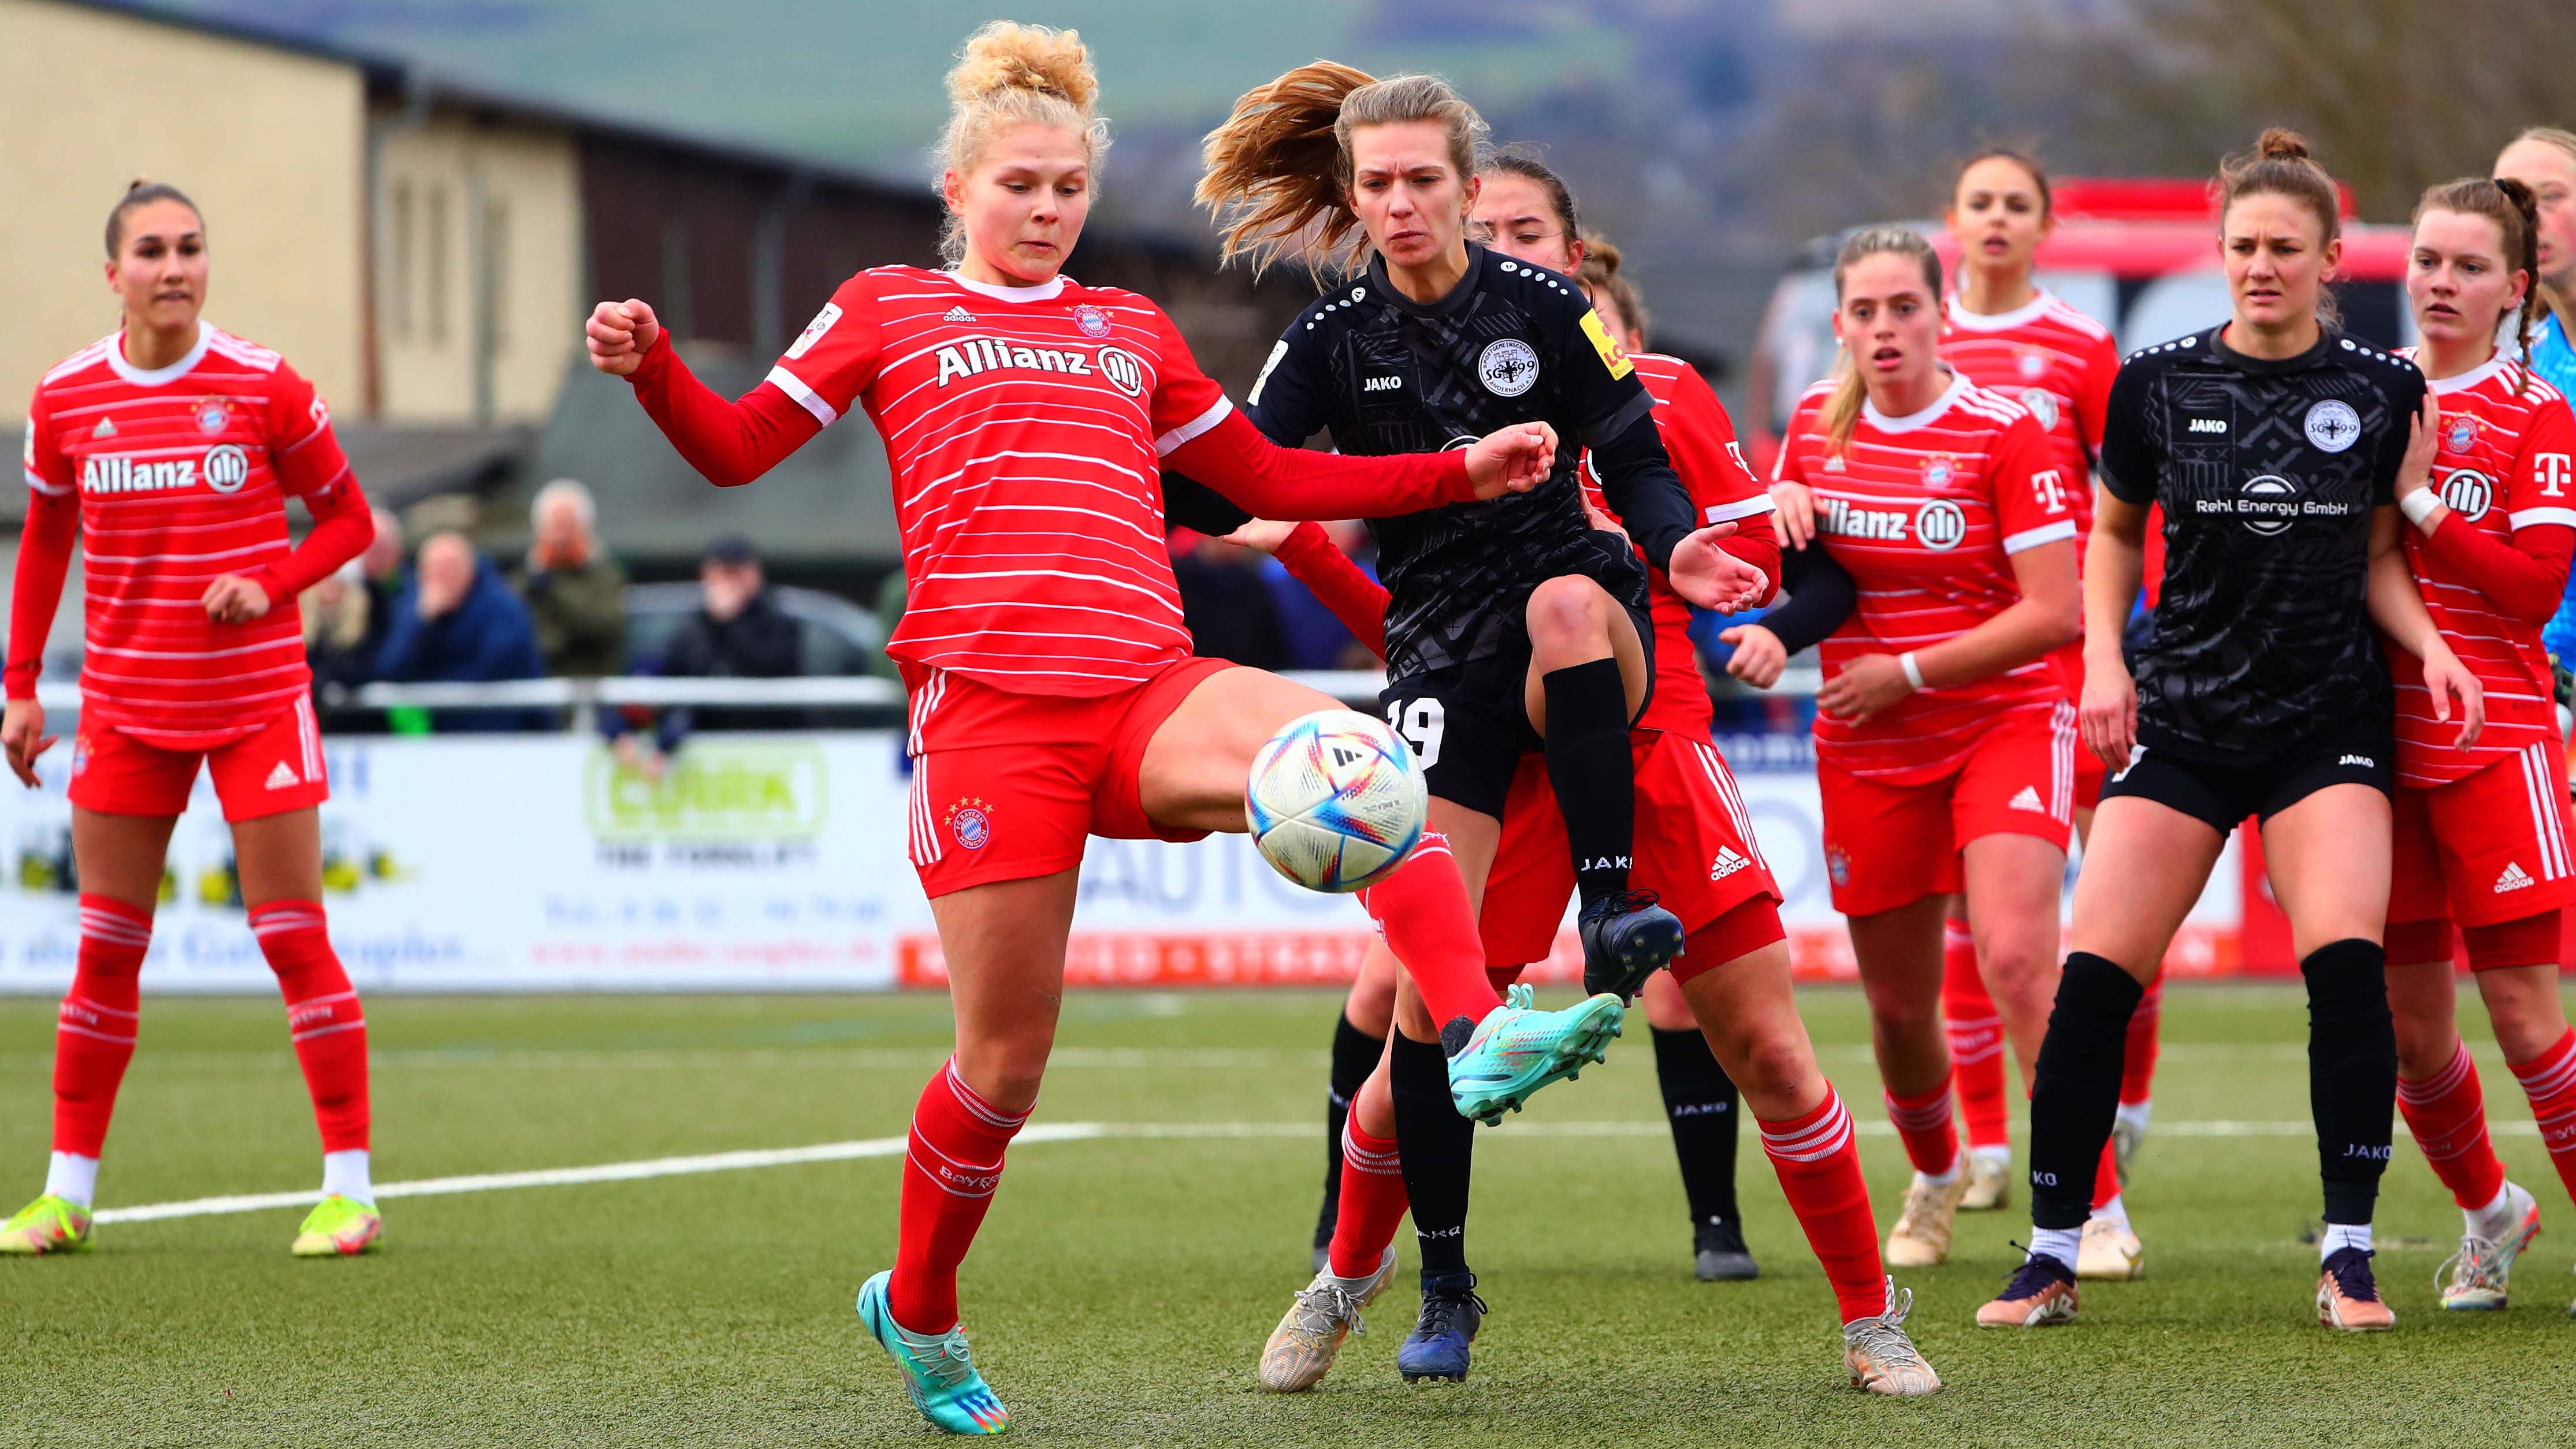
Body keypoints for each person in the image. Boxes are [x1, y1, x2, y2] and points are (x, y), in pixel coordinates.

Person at [581, 24, 1624, 1435]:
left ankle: (1481, 1027)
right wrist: (653, 371)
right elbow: (735, 446)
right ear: (960, 190)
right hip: (992, 721)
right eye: (1021, 186)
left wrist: (1458, 469)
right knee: (1002, 1067)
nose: (1048, 210)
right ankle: (923, 1305)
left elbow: (1260, 471)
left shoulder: (1127, 328)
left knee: (1359, 759)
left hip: (1147, 687)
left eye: (1069, 188)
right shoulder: (885, 308)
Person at [1192, 72, 1881, 1390]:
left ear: (1566, 250)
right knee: (1419, 1042)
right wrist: (1128, 449)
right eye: (1382, 185)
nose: (1421, 211)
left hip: (1636, 723)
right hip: (1455, 677)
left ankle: (1868, 1313)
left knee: (1774, 1046)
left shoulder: (1592, 342)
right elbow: (1242, 476)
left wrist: (1693, 557)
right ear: (1358, 197)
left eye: (1490, 214)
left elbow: (1662, 480)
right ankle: (1383, 1277)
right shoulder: (1338, 336)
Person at [1979, 130, 2475, 1333]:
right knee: (2090, 979)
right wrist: (2104, 659)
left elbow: (2376, 561)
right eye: (2243, 246)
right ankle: (2050, 1252)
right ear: (2222, 252)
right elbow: (2107, 536)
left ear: (2329, 258)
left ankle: (2348, 1256)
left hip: (2326, 724)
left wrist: (2435, 647)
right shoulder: (2155, 383)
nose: (2261, 265)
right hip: (2188, 716)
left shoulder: (2380, 389)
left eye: (2284, 249)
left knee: (2346, 969)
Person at [0, 181, 382, 1258]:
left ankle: (348, 1189)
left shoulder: (264, 384)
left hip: (256, 702)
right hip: (125, 707)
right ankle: (65, 1193)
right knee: (106, 949)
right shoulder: (68, 397)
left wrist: (269, 582)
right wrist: (21, 683)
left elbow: (348, 520)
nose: (175, 267)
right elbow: (42, 546)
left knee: (291, 935)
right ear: (112, 273)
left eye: (191, 248)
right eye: (152, 251)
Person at [1750, 221, 2087, 1286]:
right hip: (1866, 741)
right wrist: (1775, 517)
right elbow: (1795, 578)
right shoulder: (1810, 424)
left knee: (2017, 958)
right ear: (1839, 324)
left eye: (1904, 307)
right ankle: (1938, 1171)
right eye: (1864, 311)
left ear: (1941, 314)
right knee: (1897, 1009)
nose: (1884, 328)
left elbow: (2056, 611)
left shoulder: (2006, 429)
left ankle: (2076, 1213)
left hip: (2002, 716)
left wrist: (1907, 670)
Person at [1930, 147, 2157, 1276]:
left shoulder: (2075, 346)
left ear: (2045, 224)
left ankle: (2108, 1133)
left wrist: (2136, 634)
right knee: (1969, 932)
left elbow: (2131, 495)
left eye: (2019, 202)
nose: (1998, 219)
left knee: (2046, 928)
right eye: (1980, 203)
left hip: (2052, 660)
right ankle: (1978, 1143)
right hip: (1932, 668)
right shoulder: (1907, 334)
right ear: (1952, 220)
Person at [2377, 177, 2576, 1314]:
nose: (2441, 283)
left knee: (2522, 1015)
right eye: (2427, 260)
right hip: (2375, 755)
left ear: (2513, 289)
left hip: (2495, 741)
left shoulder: (2535, 412)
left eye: (2467, 267)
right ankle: (2489, 1214)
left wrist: (2420, 506)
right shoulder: (2368, 392)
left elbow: (2534, 585)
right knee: (2412, 1032)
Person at [619, 536, 806, 766]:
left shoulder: (779, 617)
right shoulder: (695, 622)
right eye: (723, 573)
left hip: (769, 743)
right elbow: (673, 676)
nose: (729, 583)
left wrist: (731, 621)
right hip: (704, 750)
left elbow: (769, 665)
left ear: (755, 574)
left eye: (737, 573)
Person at [2499, 131, 2576, 659]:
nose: (2532, 218)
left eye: (2550, 197)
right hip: (2541, 685)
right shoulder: (2518, 363)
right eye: (2514, 202)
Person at [374, 531, 549, 732]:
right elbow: (391, 668)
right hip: (436, 736)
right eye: (437, 569)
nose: (445, 576)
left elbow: (496, 667)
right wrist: (421, 623)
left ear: (471, 568)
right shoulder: (413, 608)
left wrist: (433, 688)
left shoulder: (503, 605)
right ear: (422, 574)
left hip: (503, 730)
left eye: (452, 567)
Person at [515, 477, 627, 678]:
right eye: (555, 526)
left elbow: (601, 625)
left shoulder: (605, 576)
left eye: (568, 526)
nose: (561, 537)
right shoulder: (524, 581)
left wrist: (553, 587)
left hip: (591, 690)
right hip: (538, 691)